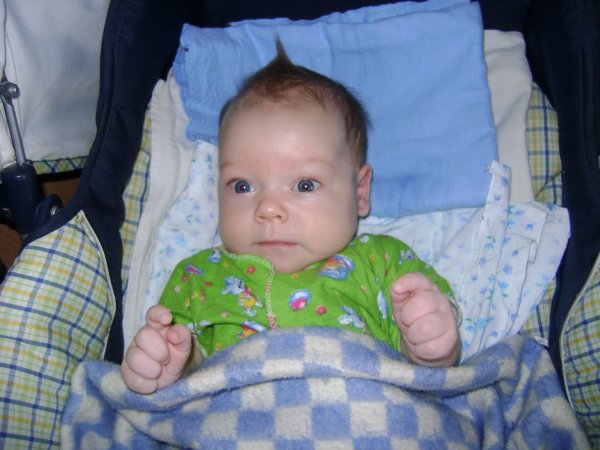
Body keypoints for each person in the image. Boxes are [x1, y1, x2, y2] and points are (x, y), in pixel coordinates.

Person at [121, 42, 461, 394]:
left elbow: (425, 351)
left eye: (304, 184)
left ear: (360, 192)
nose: (269, 208)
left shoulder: (383, 263)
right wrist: (170, 362)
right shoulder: (198, 276)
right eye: (242, 186)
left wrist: (431, 343)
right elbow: (192, 367)